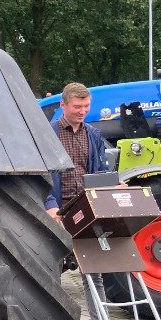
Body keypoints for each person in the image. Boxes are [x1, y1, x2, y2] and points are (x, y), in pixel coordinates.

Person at [45, 82, 110, 220]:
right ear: (63, 105)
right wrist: (49, 204)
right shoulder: (47, 134)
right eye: (77, 107)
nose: (83, 111)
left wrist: (113, 184)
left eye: (86, 106)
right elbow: (40, 174)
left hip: (86, 206)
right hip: (57, 210)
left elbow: (101, 170)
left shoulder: (94, 134)